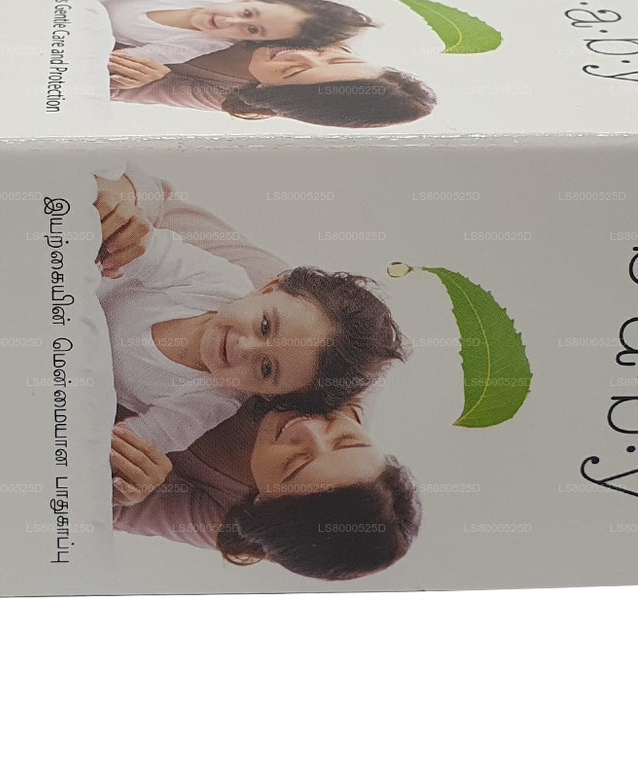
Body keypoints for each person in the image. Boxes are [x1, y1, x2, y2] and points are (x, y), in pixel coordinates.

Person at [92, 172, 423, 581]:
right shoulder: (317, 333)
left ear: (261, 502)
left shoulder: (233, 514)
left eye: (295, 464)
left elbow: (81, 501)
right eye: (347, 439)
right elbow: (157, 203)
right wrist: (124, 207)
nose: (306, 430)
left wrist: (124, 485)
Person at [99, 0, 434, 126]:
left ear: (268, 91)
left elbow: (104, 87)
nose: (296, 53)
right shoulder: (302, 24)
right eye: (332, 58)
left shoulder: (237, 95)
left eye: (290, 71)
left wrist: (132, 78)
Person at [98, 0, 373, 68]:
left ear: (255, 42)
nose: (229, 21)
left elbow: (136, 58)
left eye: (252, 30)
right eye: (248, 13)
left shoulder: (201, 44)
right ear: (250, 0)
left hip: (88, 26)